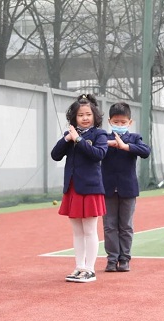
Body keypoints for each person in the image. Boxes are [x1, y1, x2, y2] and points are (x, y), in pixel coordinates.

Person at [51, 94, 108, 283]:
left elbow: (98, 154)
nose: (84, 118)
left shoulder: (99, 134)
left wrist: (79, 141)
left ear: (94, 116)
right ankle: (79, 266)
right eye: (80, 115)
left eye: (88, 114)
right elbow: (55, 155)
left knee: (90, 230)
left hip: (91, 188)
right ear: (74, 118)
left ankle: (90, 269)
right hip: (73, 188)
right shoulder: (71, 135)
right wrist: (67, 139)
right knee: (77, 231)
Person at [101, 102, 151, 272]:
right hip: (107, 189)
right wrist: (108, 144)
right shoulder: (103, 138)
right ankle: (111, 259)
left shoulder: (134, 138)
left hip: (128, 189)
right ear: (109, 121)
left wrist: (125, 146)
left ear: (130, 122)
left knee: (126, 225)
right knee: (109, 226)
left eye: (123, 122)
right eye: (116, 122)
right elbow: (92, 149)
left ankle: (124, 259)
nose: (119, 125)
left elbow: (145, 151)